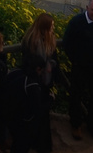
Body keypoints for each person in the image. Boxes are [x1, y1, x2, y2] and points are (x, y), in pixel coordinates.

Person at [61, 0, 93, 140]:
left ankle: (92, 124)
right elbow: (67, 42)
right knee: (76, 96)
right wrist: (75, 60)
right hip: (80, 67)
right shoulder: (76, 21)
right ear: (87, 8)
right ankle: (76, 124)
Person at [19, 14, 59, 153]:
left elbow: (54, 58)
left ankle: (38, 143)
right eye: (51, 26)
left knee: (41, 116)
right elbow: (28, 64)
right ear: (44, 28)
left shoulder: (48, 40)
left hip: (44, 82)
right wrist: (43, 68)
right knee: (37, 114)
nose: (53, 28)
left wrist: (50, 66)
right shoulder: (31, 42)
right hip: (35, 83)